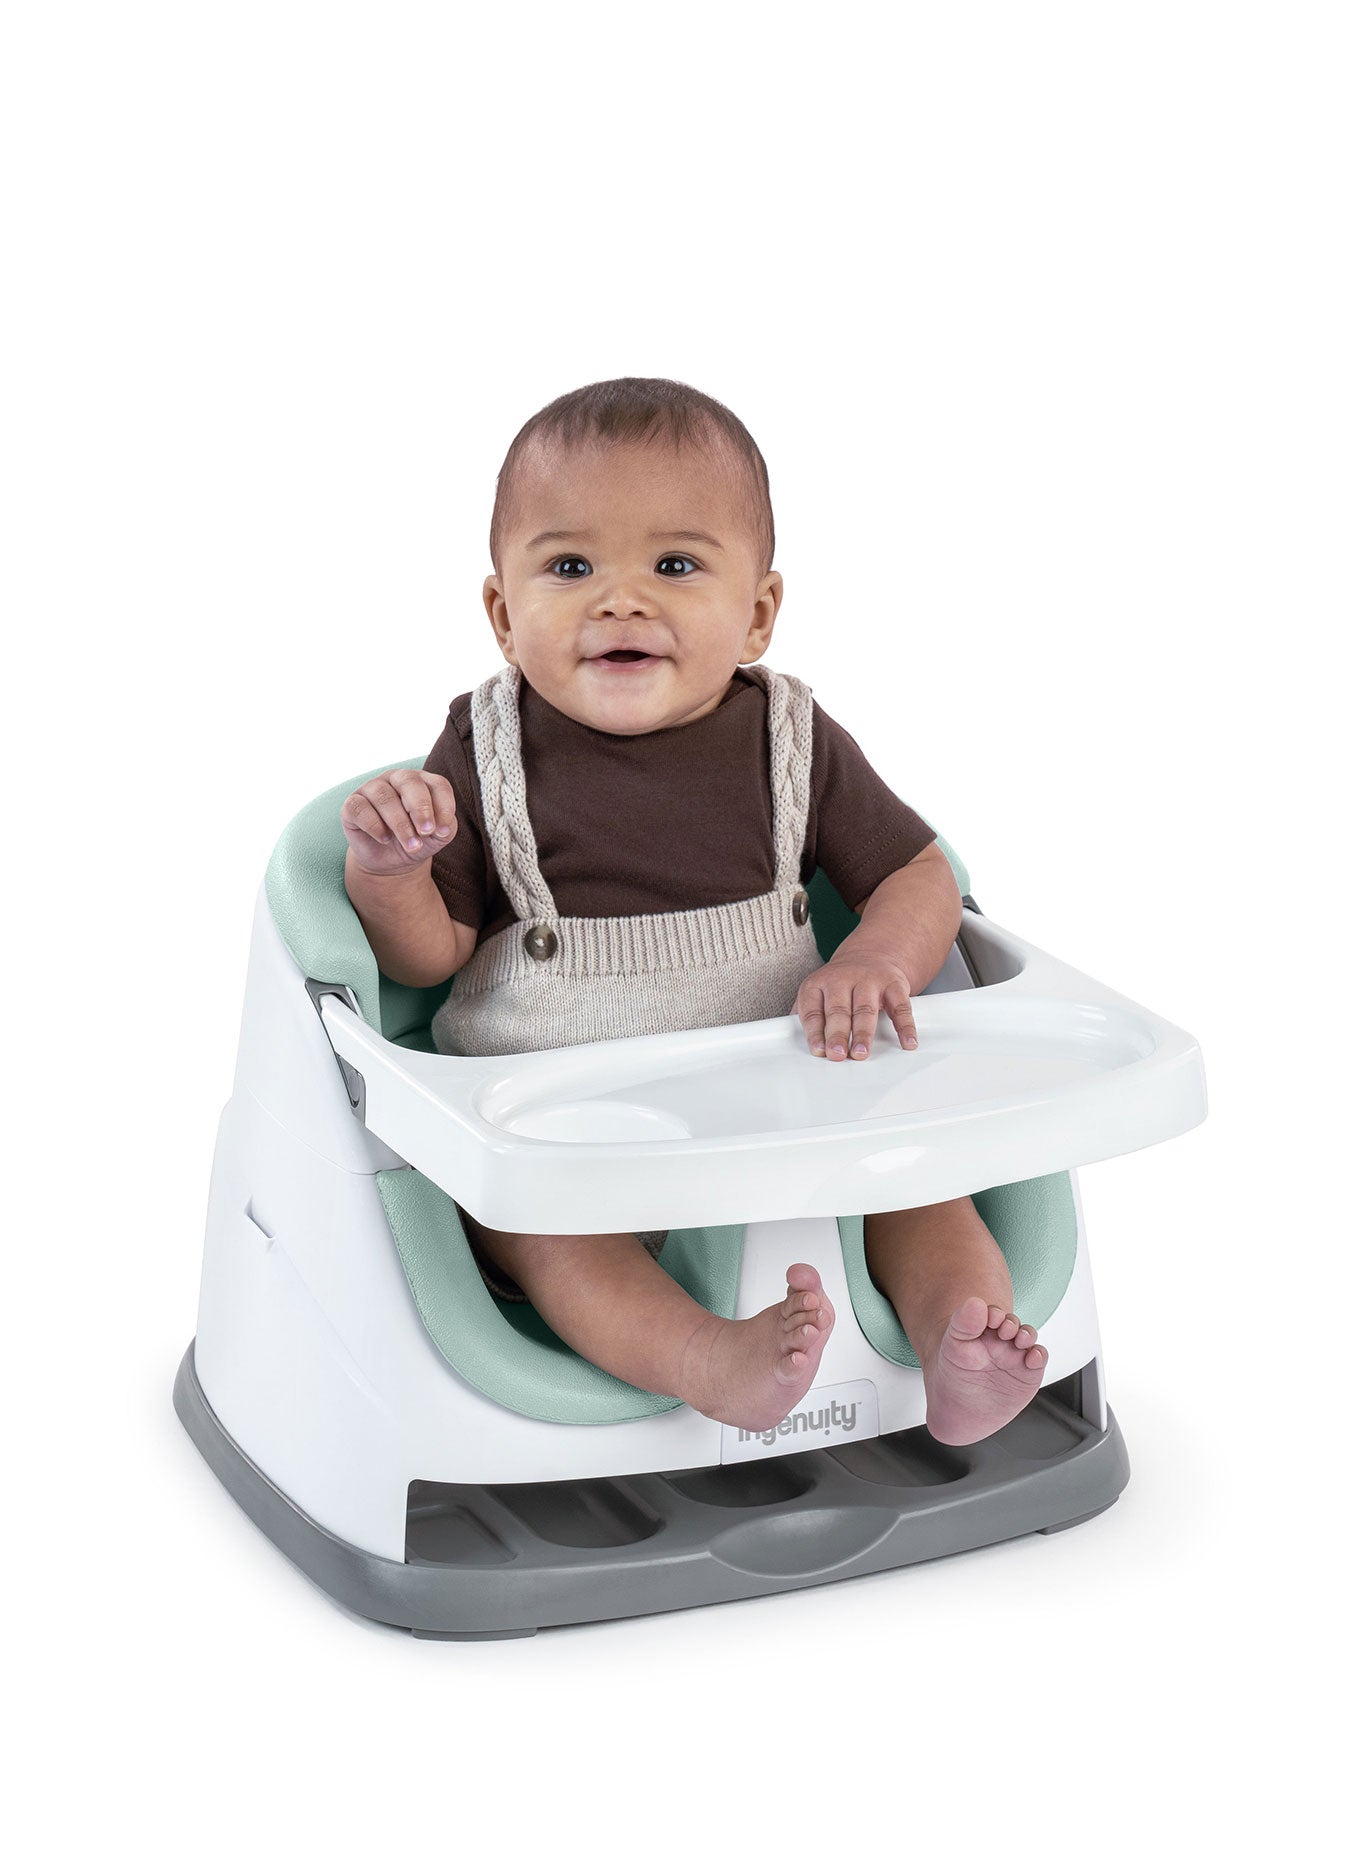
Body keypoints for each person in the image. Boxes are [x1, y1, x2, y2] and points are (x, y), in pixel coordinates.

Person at [342, 378, 1048, 1444]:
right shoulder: (482, 753)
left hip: (791, 1109)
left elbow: (921, 875)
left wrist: (876, 962)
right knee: (547, 1243)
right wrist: (390, 873)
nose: (620, 601)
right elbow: (428, 960)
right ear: (503, 614)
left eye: (674, 565)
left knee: (919, 1186)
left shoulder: (793, 741)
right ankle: (704, 1359)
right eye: (570, 567)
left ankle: (965, 1336)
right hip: (570, 1143)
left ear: (757, 612)